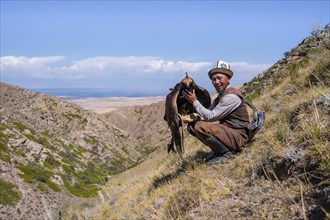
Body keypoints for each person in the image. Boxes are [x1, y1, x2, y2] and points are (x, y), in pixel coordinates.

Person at [183, 60, 250, 165]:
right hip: (230, 132)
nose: (216, 82)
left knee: (200, 126)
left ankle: (225, 153)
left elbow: (210, 116)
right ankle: (218, 150)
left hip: (239, 136)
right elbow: (206, 113)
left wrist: (194, 101)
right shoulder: (221, 96)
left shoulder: (231, 96)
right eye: (214, 79)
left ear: (228, 79)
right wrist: (184, 118)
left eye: (219, 78)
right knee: (192, 126)